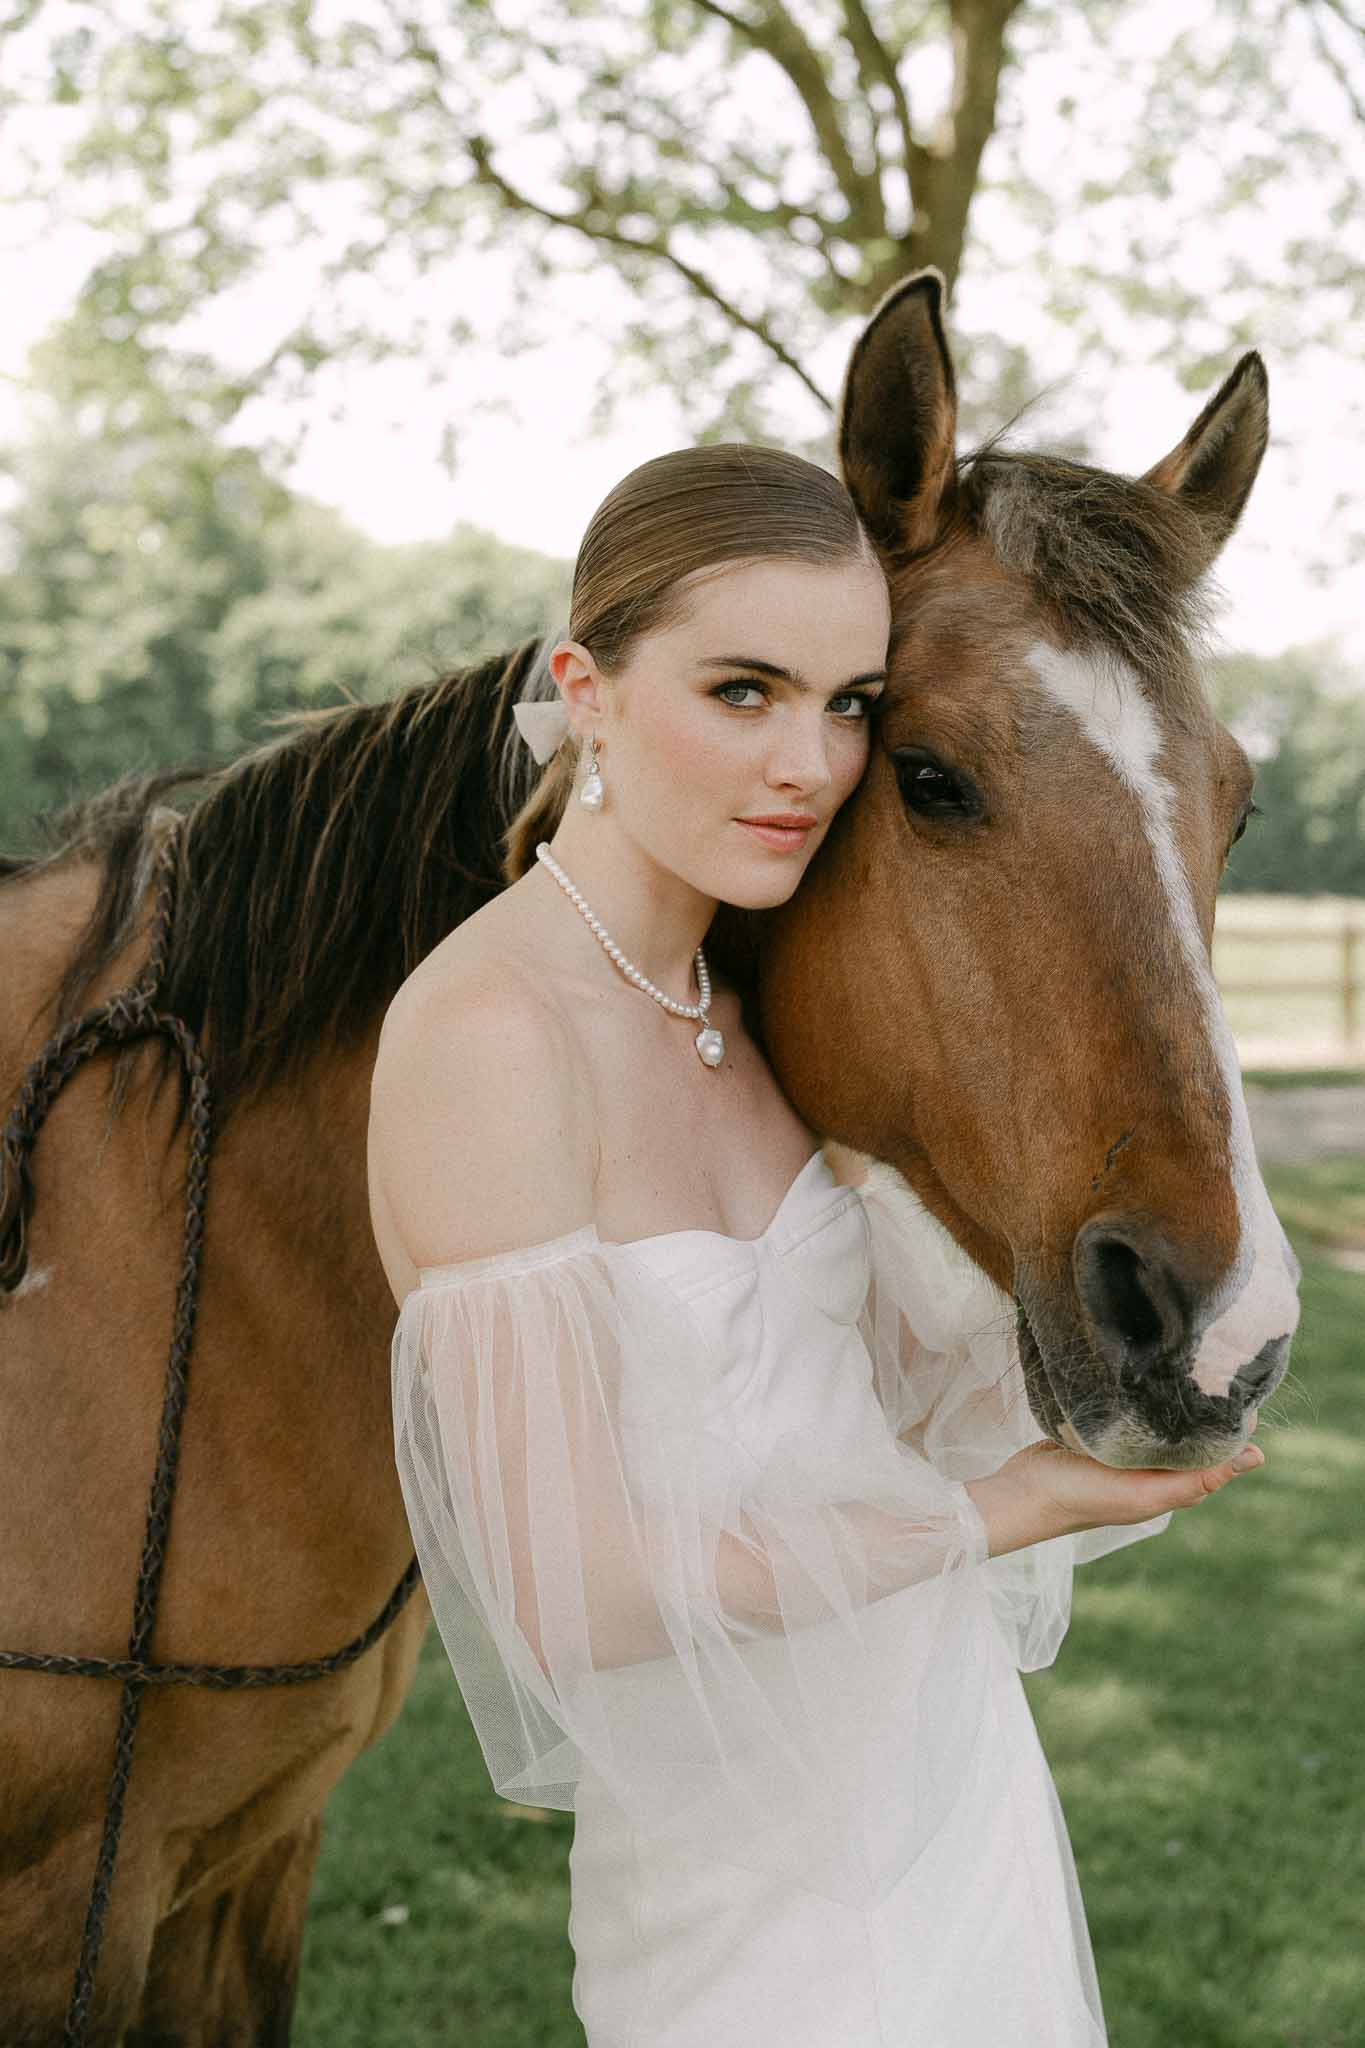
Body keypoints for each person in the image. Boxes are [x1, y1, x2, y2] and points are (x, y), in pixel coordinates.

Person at [366, 443, 1266, 2048]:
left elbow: (833, 1404)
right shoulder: (488, 1037)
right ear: (583, 686)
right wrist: (1006, 1509)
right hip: (746, 1895)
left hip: (948, 1789)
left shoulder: (741, 1012)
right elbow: (576, 1599)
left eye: (851, 702)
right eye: (741, 691)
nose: (808, 761)